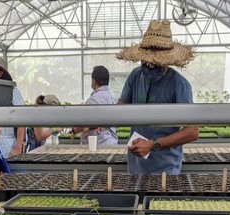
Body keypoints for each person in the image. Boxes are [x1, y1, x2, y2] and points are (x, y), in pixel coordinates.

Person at [116, 19, 199, 175]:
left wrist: (153, 145)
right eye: (146, 61)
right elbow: (121, 106)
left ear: (167, 60)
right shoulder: (136, 76)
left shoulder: (179, 85)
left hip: (165, 168)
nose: (150, 65)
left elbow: (192, 131)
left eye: (156, 62)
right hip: (136, 165)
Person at [72, 66, 118, 146]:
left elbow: (85, 123)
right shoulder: (111, 98)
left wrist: (74, 131)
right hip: (112, 143)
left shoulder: (93, 100)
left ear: (93, 81)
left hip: (99, 145)